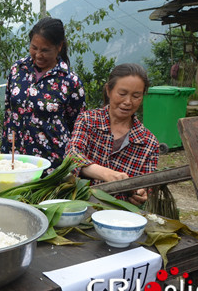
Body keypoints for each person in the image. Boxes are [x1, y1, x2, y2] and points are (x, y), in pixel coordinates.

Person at [66, 63, 159, 205]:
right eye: (122, 94)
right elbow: (72, 156)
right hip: (79, 207)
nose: (128, 102)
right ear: (108, 90)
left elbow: (148, 186)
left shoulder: (148, 142)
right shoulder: (88, 120)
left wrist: (142, 194)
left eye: (136, 96)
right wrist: (107, 174)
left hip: (120, 217)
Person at [1, 17, 86, 172]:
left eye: (45, 50)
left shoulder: (70, 82)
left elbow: (78, 128)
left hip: (52, 165)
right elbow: (8, 113)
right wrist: (5, 152)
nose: (38, 55)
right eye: (34, 48)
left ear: (59, 47)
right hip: (15, 160)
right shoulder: (17, 70)